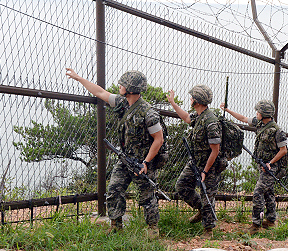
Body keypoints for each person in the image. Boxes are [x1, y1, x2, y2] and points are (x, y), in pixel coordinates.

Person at [65, 68, 164, 237]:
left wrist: (146, 163)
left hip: (142, 162)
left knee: (147, 196)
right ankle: (116, 225)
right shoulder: (122, 103)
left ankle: (153, 228)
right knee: (114, 189)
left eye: (123, 84)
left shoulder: (149, 113)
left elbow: (158, 139)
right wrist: (78, 77)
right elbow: (100, 92)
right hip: (126, 159)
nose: (120, 86)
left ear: (131, 88)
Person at [221, 99, 288, 234]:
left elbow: (283, 150)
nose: (256, 113)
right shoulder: (259, 123)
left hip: (271, 167)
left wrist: (270, 163)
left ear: (264, 113)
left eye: (258, 111)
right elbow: (244, 118)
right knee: (268, 192)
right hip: (263, 165)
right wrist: (227, 110)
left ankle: (256, 224)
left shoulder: (277, 130)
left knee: (258, 192)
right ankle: (270, 220)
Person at [167, 85, 223, 239]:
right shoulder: (199, 115)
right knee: (181, 186)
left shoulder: (210, 121)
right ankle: (202, 210)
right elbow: (186, 118)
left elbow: (215, 150)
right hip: (195, 162)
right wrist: (172, 103)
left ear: (197, 101)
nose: (190, 99)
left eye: (192, 97)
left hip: (209, 166)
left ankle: (208, 230)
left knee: (207, 196)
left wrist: (205, 171)